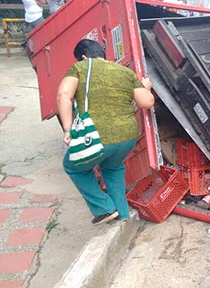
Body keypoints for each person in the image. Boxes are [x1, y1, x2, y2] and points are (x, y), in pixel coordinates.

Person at [56, 39, 154, 225]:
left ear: (83, 57)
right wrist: (146, 88)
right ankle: (122, 213)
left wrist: (68, 129)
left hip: (97, 135)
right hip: (127, 136)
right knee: (113, 167)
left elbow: (63, 95)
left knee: (73, 166)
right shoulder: (126, 72)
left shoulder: (80, 68)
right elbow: (146, 103)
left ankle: (104, 209)